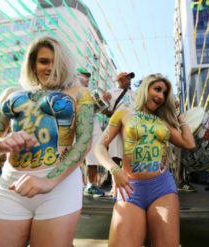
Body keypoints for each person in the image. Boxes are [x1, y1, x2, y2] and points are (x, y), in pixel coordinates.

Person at [0, 36, 94, 247]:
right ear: (33, 64)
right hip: (11, 187)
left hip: (59, 187)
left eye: (57, 62)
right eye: (44, 61)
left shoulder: (80, 94)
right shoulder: (11, 94)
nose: (51, 67)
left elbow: (84, 142)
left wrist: (49, 181)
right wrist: (1, 143)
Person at [95, 73, 195, 246]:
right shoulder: (123, 113)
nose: (161, 96)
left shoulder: (163, 121)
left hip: (162, 188)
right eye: (157, 89)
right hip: (130, 190)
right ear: (145, 89)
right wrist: (114, 169)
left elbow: (189, 143)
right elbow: (99, 147)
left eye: (164, 93)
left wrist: (180, 118)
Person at [101, 72, 136, 190]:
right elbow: (105, 111)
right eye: (127, 78)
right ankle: (112, 178)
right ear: (119, 80)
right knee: (115, 153)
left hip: (131, 126)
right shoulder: (111, 92)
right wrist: (104, 104)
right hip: (116, 125)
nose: (129, 80)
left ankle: (131, 178)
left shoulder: (135, 94)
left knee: (130, 152)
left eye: (130, 78)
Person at [77, 67, 105, 197]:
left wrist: (105, 99)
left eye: (88, 77)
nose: (87, 79)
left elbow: (101, 108)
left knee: (93, 157)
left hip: (93, 127)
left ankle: (91, 185)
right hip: (76, 127)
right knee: (74, 156)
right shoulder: (71, 91)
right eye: (84, 76)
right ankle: (76, 185)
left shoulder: (93, 93)